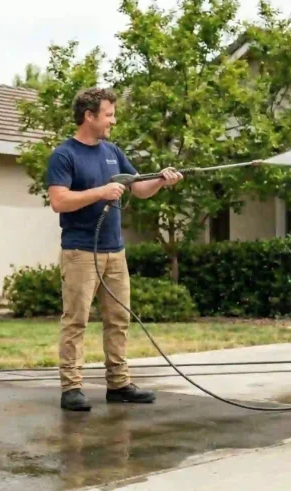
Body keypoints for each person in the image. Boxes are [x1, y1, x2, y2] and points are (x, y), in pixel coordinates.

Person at [46, 87, 183, 412]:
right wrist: (100, 192)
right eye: (108, 114)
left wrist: (162, 180)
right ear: (89, 115)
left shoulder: (113, 152)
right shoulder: (64, 155)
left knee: (118, 319)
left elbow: (140, 189)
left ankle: (119, 384)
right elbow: (58, 201)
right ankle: (72, 388)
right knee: (76, 320)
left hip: (115, 252)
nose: (113, 120)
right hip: (80, 252)